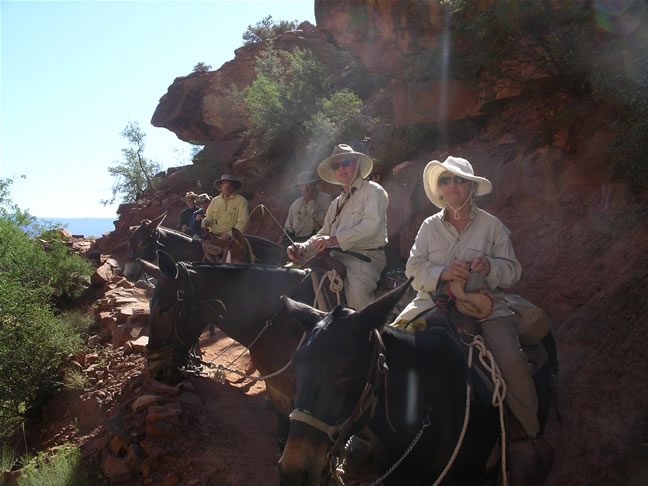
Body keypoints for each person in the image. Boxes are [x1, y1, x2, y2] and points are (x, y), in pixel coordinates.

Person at [390, 155, 547, 462]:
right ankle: (380, 429)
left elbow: (513, 271)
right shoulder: (428, 227)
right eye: (445, 180)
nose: (451, 186)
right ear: (439, 188)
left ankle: (528, 433)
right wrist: (443, 273)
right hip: (434, 300)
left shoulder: (492, 227)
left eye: (459, 180)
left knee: (511, 361)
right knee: (394, 340)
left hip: (485, 306)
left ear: (471, 188)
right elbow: (413, 269)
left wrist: (489, 267)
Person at [287, 144, 388, 310]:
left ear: (356, 164)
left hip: (364, 258)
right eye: (336, 165)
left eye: (346, 162)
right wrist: (303, 247)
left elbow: (371, 227)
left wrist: (334, 239)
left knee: (356, 294)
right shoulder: (336, 203)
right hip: (335, 257)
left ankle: (365, 333)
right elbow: (323, 233)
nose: (341, 168)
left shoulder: (373, 191)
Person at [201, 174, 249, 261]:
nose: (228, 187)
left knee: (229, 259)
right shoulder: (214, 201)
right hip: (212, 236)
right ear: (221, 186)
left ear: (234, 187)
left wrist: (230, 234)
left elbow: (243, 221)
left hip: (232, 240)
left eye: (231, 185)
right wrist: (206, 221)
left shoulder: (241, 201)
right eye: (225, 185)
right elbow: (209, 216)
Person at [282, 171, 332, 243]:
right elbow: (288, 226)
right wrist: (286, 235)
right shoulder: (296, 204)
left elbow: (327, 224)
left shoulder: (326, 199)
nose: (305, 188)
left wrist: (310, 202)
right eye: (302, 185)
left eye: (308, 184)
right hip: (296, 241)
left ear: (314, 185)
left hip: (315, 242)